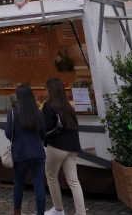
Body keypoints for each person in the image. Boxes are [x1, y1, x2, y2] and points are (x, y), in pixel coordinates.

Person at [42, 79, 85, 215]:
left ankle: (58, 209)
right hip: (72, 147)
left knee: (51, 177)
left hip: (57, 146)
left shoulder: (48, 106)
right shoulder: (68, 106)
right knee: (74, 181)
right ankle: (81, 212)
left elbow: (46, 128)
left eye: (47, 88)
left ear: (51, 90)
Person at [5, 85, 47, 215]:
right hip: (38, 153)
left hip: (21, 152)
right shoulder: (39, 113)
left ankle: (17, 211)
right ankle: (40, 213)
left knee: (18, 183)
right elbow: (43, 135)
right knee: (39, 186)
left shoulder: (13, 113)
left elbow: (8, 133)